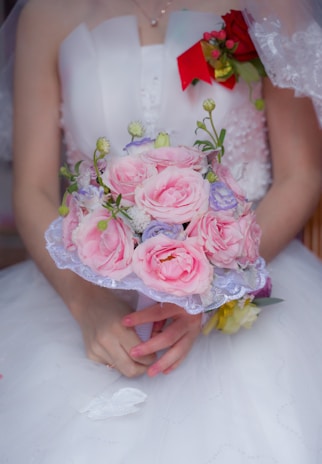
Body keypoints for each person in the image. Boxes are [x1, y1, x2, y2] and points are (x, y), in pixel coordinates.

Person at [0, 0, 322, 462]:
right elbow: (32, 188)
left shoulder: (272, 5)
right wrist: (86, 303)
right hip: (86, 285)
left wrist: (212, 288)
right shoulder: (47, 13)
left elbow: (301, 173)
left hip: (247, 273)